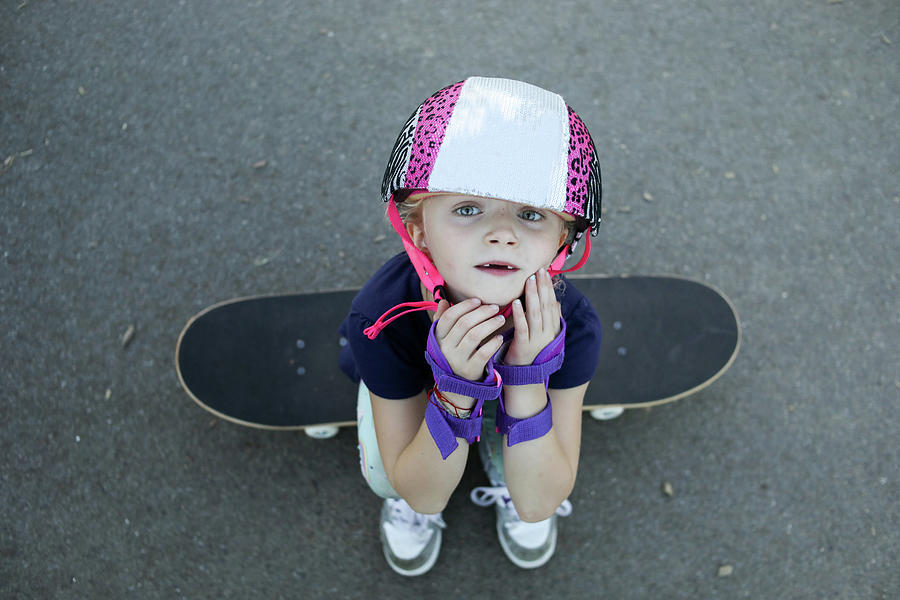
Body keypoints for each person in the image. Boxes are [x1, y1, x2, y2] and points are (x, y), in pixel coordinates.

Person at [338, 76, 603, 576]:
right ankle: (466, 431)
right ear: (417, 227)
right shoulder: (379, 320)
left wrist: (527, 377)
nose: (501, 234)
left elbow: (539, 503)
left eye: (530, 214)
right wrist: (454, 391)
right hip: (421, 391)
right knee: (388, 475)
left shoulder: (574, 324)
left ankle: (506, 456)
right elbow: (424, 495)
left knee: (527, 477)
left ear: (561, 242)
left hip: (518, 387)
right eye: (467, 209)